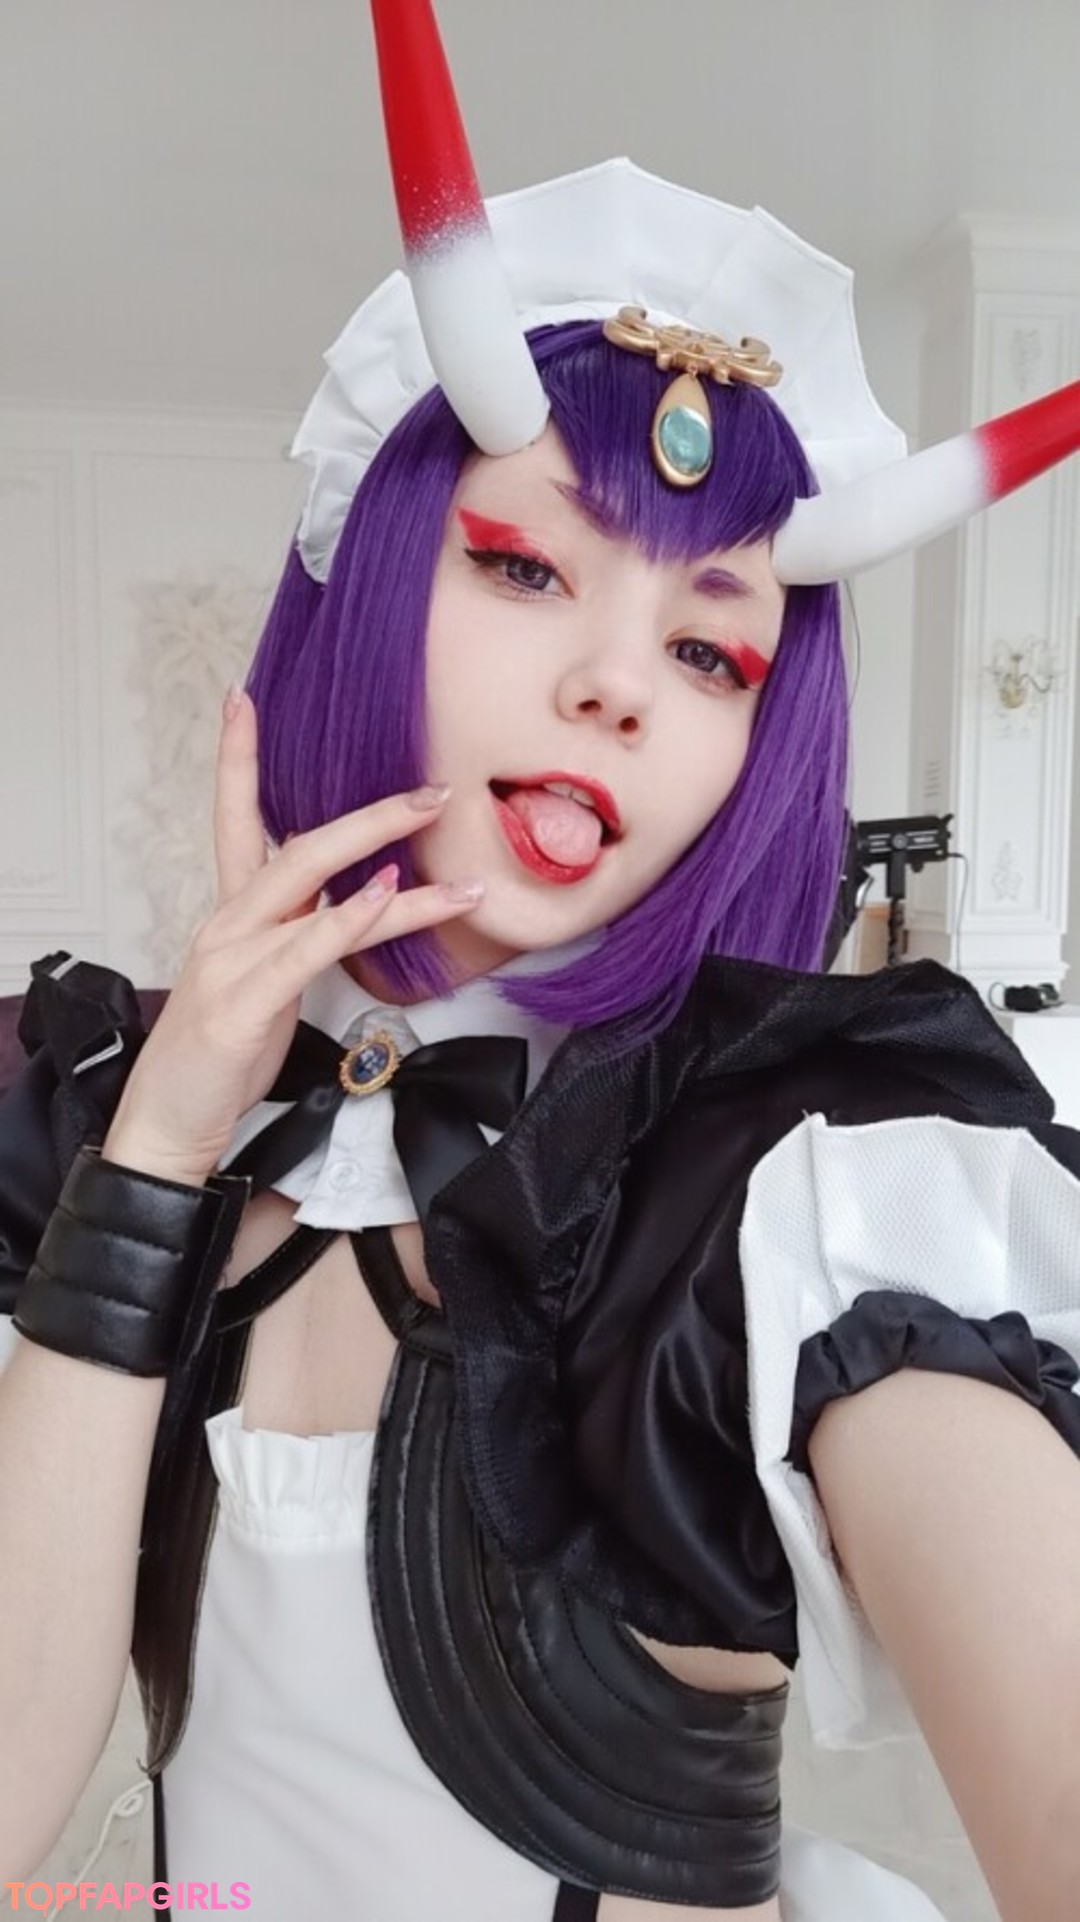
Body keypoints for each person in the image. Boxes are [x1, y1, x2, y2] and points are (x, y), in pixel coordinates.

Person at [3, 4, 1080, 1919]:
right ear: (369, 581)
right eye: (526, 566)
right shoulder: (106, 1105)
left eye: (709, 648)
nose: (615, 686)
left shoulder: (781, 1194)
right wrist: (156, 1152)